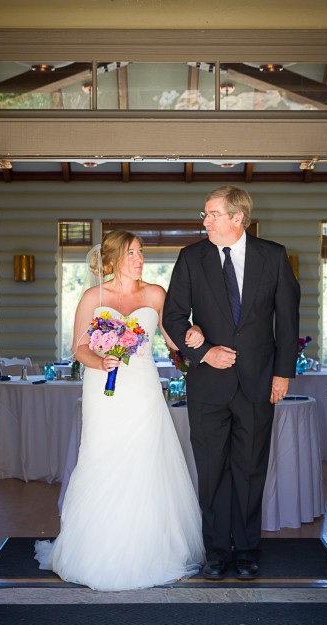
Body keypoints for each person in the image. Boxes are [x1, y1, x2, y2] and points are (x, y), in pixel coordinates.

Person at [35, 230, 204, 590]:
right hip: (103, 389)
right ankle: (95, 549)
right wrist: (100, 362)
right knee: (102, 458)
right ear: (111, 259)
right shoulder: (93, 297)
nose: (140, 259)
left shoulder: (156, 294)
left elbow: (174, 339)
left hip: (142, 387)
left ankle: (149, 550)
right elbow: (79, 347)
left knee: (145, 459)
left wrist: (195, 336)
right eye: (131, 253)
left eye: (141, 252)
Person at [163, 186, 300, 580]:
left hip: (259, 383)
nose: (205, 221)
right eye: (205, 214)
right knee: (212, 470)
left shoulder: (272, 257)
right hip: (208, 385)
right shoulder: (191, 258)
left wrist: (283, 373)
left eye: (212, 214)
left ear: (238, 218)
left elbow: (287, 320)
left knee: (251, 469)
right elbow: (173, 317)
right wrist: (204, 351)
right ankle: (216, 553)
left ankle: (247, 552)